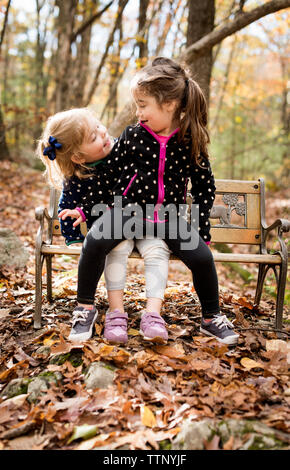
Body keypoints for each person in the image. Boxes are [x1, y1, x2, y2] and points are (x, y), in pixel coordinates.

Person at [65, 57, 239, 345]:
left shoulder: (190, 140)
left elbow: (205, 185)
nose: (138, 112)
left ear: (169, 104)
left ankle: (211, 318)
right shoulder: (132, 136)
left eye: (143, 104)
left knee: (203, 258)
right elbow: (108, 175)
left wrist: (201, 228)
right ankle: (85, 308)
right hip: (128, 212)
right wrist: (86, 209)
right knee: (94, 242)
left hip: (168, 217)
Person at [37, 108, 171, 343]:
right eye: (93, 137)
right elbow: (67, 208)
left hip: (147, 220)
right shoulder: (77, 177)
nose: (103, 132)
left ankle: (153, 314)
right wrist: (74, 238)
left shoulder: (124, 149)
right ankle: (116, 313)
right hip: (113, 229)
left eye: (98, 125)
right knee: (116, 250)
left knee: (157, 250)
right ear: (78, 157)